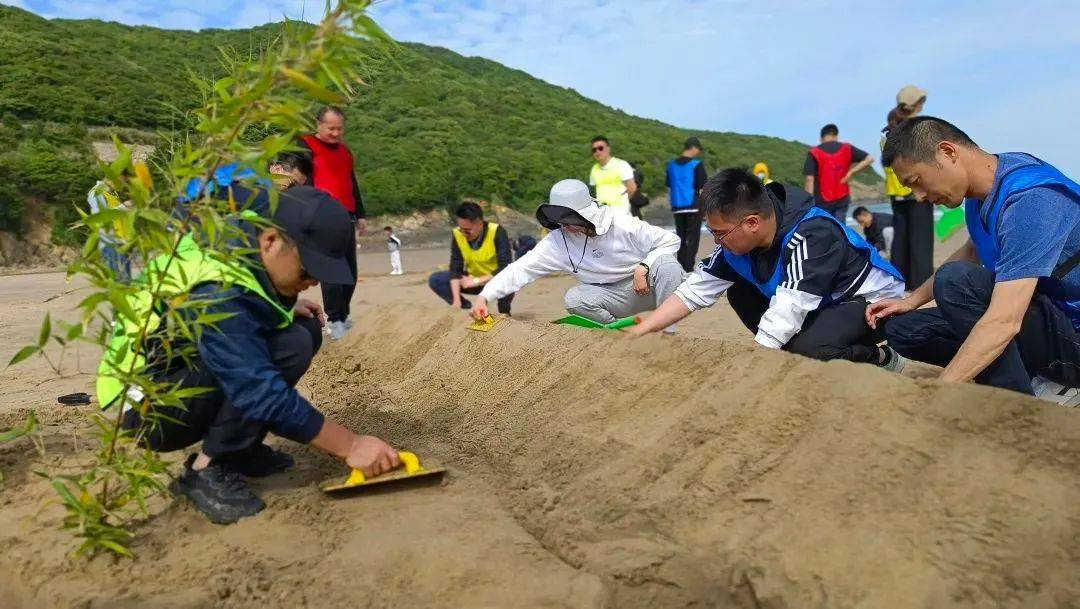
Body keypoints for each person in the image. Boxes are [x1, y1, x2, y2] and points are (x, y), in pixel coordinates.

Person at [98, 183, 401, 524]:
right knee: (284, 349)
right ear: (271, 240)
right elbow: (257, 389)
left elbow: (248, 301)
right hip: (147, 407)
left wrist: (285, 307)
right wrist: (351, 445)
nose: (313, 281)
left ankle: (238, 450)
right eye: (307, 270)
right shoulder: (216, 289)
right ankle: (204, 472)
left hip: (179, 375)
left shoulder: (242, 241)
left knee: (301, 333)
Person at [868, 116, 1080, 404]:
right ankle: (1032, 375)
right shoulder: (984, 188)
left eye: (916, 182)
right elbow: (970, 251)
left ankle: (1017, 403)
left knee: (956, 280)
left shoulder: (1030, 201)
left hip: (1073, 334)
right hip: (1048, 321)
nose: (918, 197)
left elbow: (1005, 320)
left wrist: (939, 392)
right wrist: (911, 300)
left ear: (948, 152)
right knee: (904, 330)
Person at [629, 168, 907, 370]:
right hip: (820, 303)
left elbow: (791, 306)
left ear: (751, 222)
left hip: (870, 303)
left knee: (809, 351)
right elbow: (693, 290)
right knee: (739, 291)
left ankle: (880, 358)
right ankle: (792, 352)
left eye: (720, 233)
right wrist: (645, 329)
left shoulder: (812, 234)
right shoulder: (735, 244)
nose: (716, 241)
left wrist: (753, 364)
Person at [470, 179, 684, 330]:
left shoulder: (621, 223)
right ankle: (619, 336)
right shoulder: (558, 241)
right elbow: (521, 269)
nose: (565, 226)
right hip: (614, 297)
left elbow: (671, 240)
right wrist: (485, 296)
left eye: (570, 219)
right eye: (560, 220)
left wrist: (644, 266)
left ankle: (667, 333)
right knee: (575, 299)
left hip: (652, 286)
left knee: (667, 265)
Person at [299, 106, 366, 340]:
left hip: (346, 217)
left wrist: (361, 214)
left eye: (340, 128)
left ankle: (342, 317)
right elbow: (297, 179)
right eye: (331, 128)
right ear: (319, 124)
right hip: (321, 216)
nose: (336, 133)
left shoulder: (345, 151)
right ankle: (335, 320)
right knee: (333, 271)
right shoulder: (304, 146)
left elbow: (351, 183)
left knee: (350, 272)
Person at [883, 86, 934, 287]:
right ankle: (921, 283)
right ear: (917, 103)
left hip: (896, 191)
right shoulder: (918, 129)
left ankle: (899, 281)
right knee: (921, 240)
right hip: (916, 188)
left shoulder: (887, 131)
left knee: (901, 240)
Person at [428, 202, 515, 314]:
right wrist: (456, 301)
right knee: (436, 279)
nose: (463, 233)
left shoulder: (497, 232)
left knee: (508, 281)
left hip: (495, 280)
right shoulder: (458, 234)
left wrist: (477, 281)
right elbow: (455, 267)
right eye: (461, 229)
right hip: (472, 280)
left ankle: (504, 314)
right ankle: (468, 310)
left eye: (467, 230)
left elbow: (505, 267)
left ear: (480, 224)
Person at [804, 124, 875, 222]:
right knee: (840, 226)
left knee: (824, 227)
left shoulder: (814, 152)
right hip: (842, 196)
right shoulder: (847, 148)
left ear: (821, 138)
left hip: (822, 199)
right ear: (836, 136)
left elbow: (809, 179)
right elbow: (869, 159)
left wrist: (807, 202)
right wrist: (851, 172)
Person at [667, 137, 708, 272]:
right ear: (694, 148)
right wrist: (705, 208)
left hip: (677, 207)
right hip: (693, 207)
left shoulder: (671, 165)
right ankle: (688, 267)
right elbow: (702, 188)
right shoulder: (696, 164)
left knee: (681, 237)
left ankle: (680, 265)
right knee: (693, 238)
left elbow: (670, 186)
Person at [86, 180, 132, 281]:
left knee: (126, 280)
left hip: (121, 241)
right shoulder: (96, 193)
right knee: (119, 280)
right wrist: (125, 206)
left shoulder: (112, 193)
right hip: (110, 242)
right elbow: (101, 216)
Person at [588, 135, 635, 217]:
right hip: (603, 212)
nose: (597, 152)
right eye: (594, 150)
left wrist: (623, 202)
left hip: (621, 212)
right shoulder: (594, 169)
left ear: (608, 148)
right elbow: (594, 191)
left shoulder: (621, 164)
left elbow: (632, 188)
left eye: (600, 148)